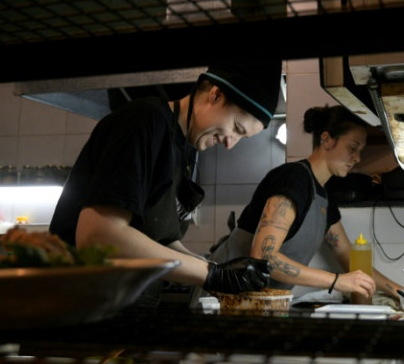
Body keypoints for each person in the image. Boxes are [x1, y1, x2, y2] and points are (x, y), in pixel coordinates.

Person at [49, 61, 284, 297]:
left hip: (125, 303)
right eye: (236, 128)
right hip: (81, 302)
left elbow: (160, 240)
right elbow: (97, 236)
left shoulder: (185, 149)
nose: (230, 143)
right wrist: (211, 275)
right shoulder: (144, 120)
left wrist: (216, 270)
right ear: (215, 95)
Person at [210, 104, 404, 301]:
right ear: (327, 139)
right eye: (352, 148)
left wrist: (399, 291)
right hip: (220, 298)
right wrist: (336, 280)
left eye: (360, 150)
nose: (357, 158)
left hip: (256, 304)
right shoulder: (293, 179)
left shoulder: (323, 197)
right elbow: (263, 257)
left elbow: (347, 256)